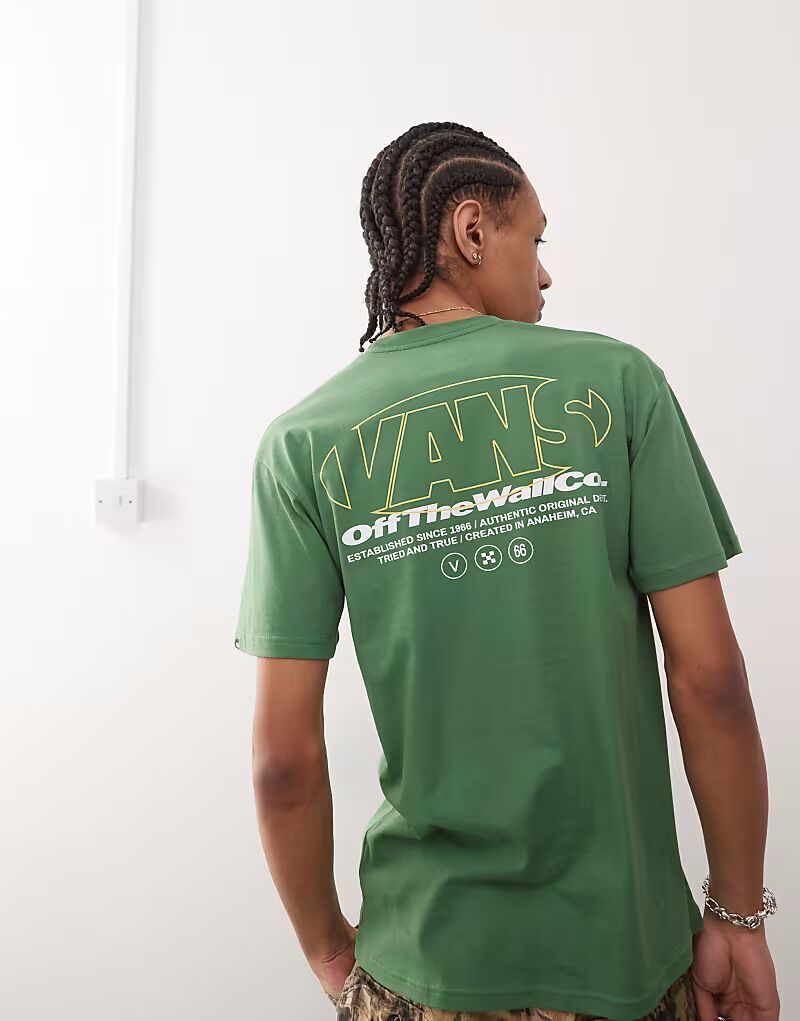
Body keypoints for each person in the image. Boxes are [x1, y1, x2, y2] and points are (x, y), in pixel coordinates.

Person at [234, 122, 779, 1021]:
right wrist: (738, 912)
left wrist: (332, 953)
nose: (547, 274)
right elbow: (711, 681)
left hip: (423, 961)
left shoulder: (301, 444)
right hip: (626, 960)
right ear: (473, 230)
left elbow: (281, 762)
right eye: (538, 238)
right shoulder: (617, 382)